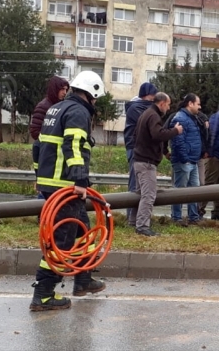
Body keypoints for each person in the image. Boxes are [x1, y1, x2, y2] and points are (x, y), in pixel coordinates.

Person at [29, 71, 106, 311]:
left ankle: (83, 280)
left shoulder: (56, 109)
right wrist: (80, 179)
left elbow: (38, 147)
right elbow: (74, 146)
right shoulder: (78, 112)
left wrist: (38, 177)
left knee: (86, 231)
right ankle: (42, 295)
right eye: (96, 98)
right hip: (66, 186)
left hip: (51, 183)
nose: (95, 103)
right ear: (90, 93)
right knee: (62, 242)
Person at [132, 92, 183, 236]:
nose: (168, 107)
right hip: (146, 162)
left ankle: (134, 221)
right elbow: (158, 135)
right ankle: (142, 226)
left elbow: (140, 136)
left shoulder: (146, 114)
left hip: (140, 159)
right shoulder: (153, 116)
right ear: (161, 104)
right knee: (148, 196)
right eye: (168, 104)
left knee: (139, 195)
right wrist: (175, 131)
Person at [30, 76, 70, 202]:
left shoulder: (61, 106)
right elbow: (35, 131)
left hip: (54, 156)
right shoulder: (44, 106)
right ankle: (43, 217)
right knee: (45, 194)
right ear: (54, 89)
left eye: (66, 89)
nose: (64, 92)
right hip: (45, 154)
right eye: (62, 89)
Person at [123, 82, 157, 226]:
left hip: (142, 149)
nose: (154, 98)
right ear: (147, 95)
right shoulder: (136, 108)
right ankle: (131, 217)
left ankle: (134, 218)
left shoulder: (142, 107)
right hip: (135, 148)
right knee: (134, 184)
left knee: (140, 185)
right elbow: (149, 123)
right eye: (153, 95)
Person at [168, 93, 204, 226]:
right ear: (190, 104)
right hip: (184, 161)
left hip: (193, 160)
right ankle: (176, 217)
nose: (199, 107)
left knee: (194, 190)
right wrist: (185, 159)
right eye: (198, 104)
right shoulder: (181, 119)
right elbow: (178, 141)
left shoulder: (192, 118)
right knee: (180, 190)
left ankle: (193, 217)